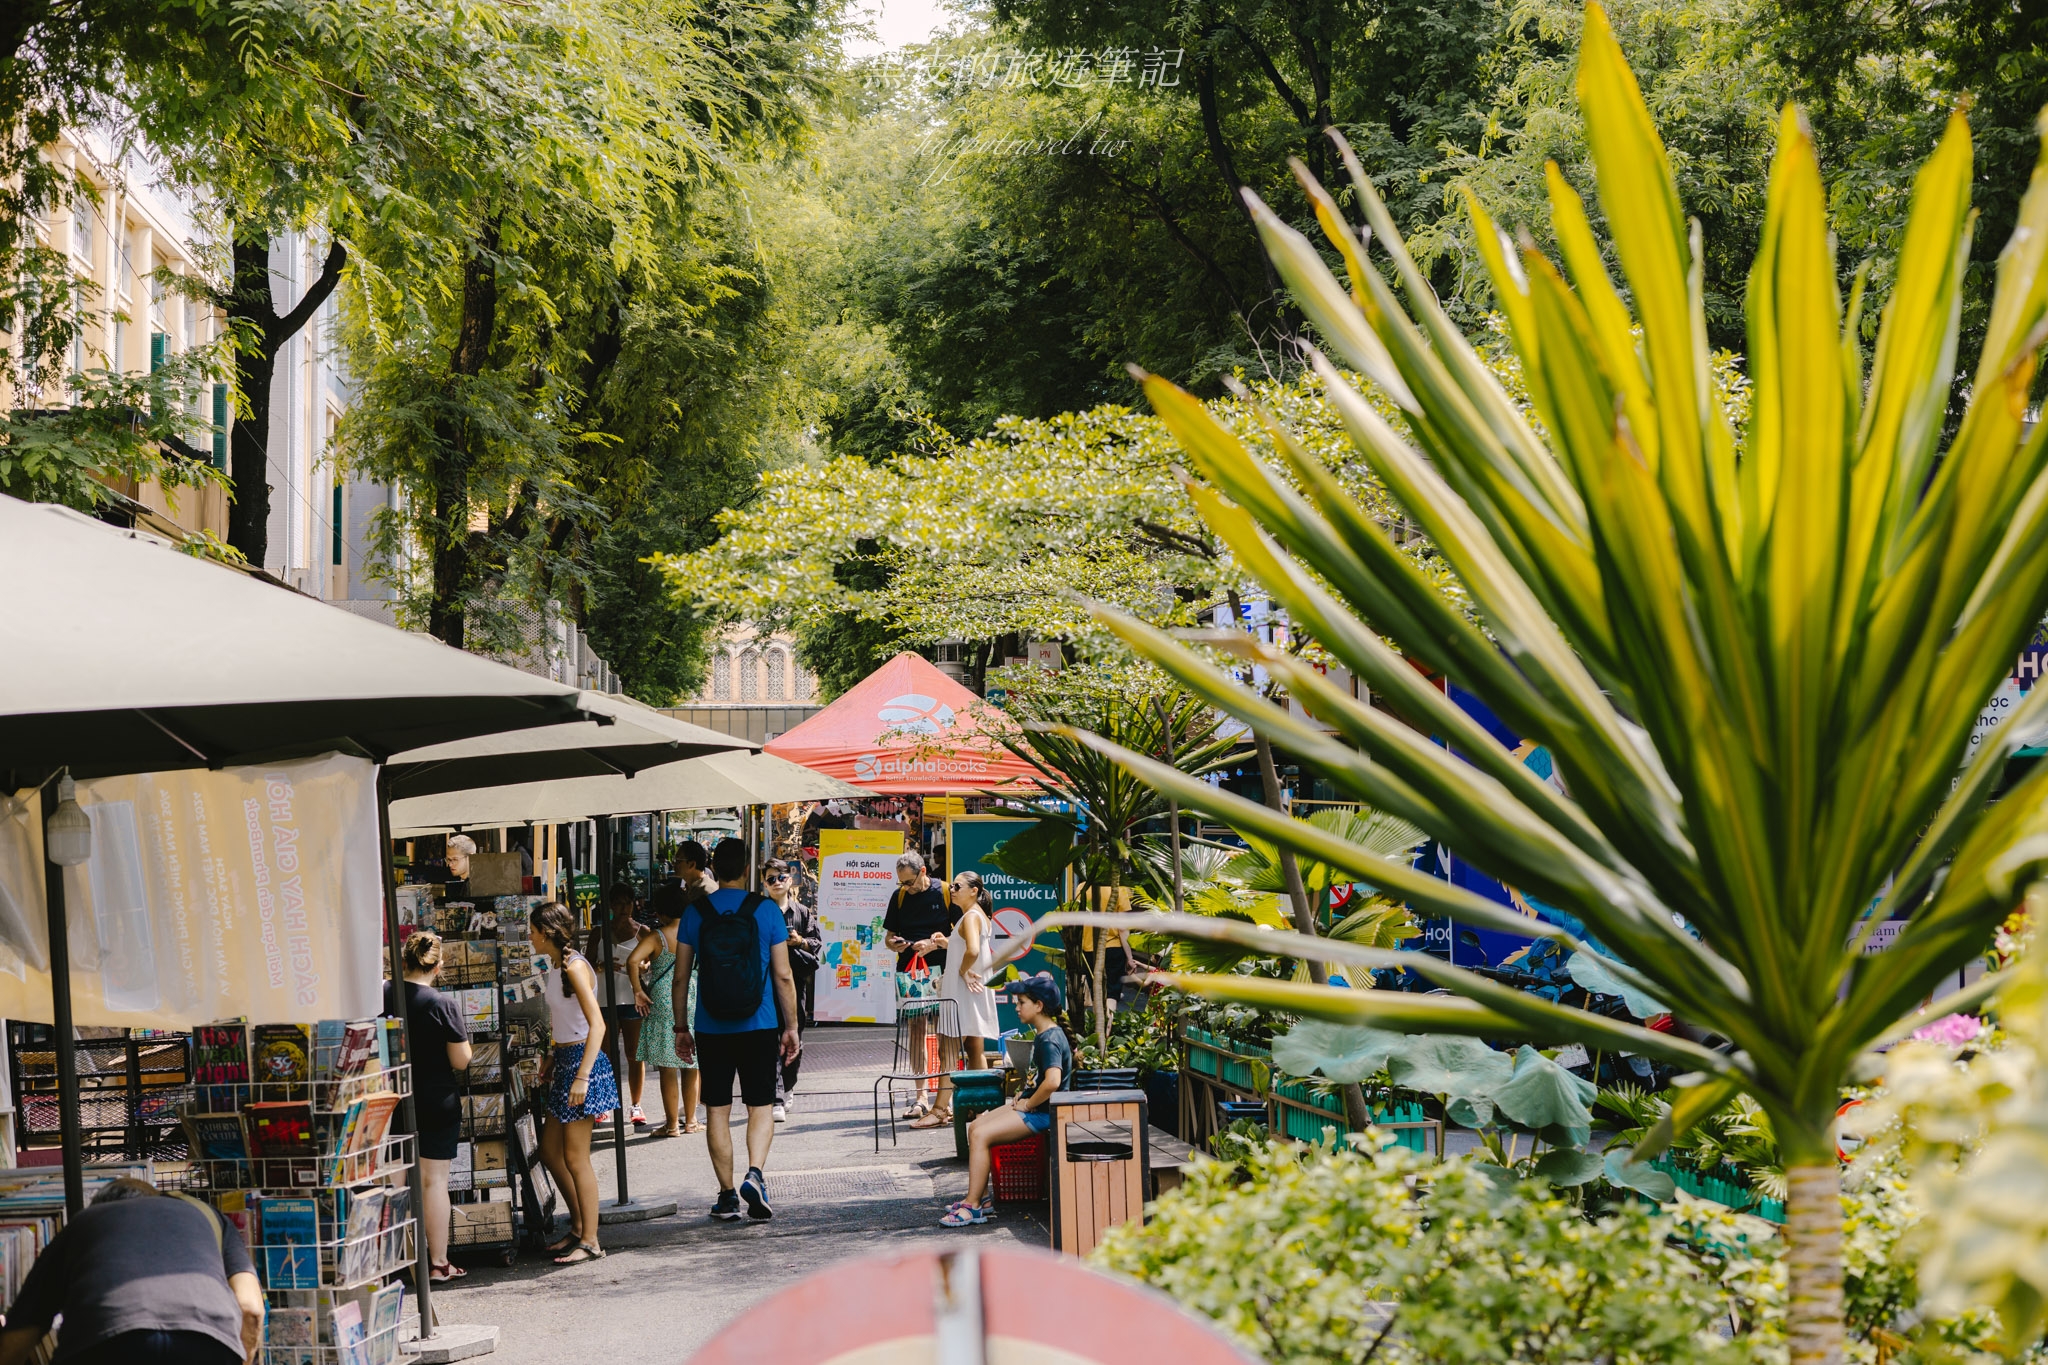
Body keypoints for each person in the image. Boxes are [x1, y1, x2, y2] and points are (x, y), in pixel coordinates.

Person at [0, 1176, 264, 1365]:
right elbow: (250, 1309)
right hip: (209, 1343)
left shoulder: (83, 1224)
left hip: (105, 1342)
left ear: (100, 1208)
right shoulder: (208, 1218)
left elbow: (19, 1336)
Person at [671, 838, 800, 1222]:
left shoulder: (695, 912)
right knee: (760, 1106)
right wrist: (790, 1027)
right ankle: (755, 1174)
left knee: (717, 1110)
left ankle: (727, 1197)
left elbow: (680, 978)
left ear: (713, 867)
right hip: (759, 1024)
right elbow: (783, 975)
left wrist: (681, 1027)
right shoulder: (766, 911)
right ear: (747, 869)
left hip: (711, 1025)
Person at [942, 973, 1071, 1227]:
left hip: (1043, 1114)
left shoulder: (1049, 1038)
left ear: (1039, 1006)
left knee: (980, 1136)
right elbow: (1040, 1078)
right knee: (978, 1126)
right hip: (1035, 1108)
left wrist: (1030, 1103)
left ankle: (973, 1205)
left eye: (1021, 1001)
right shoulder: (1045, 1033)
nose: (1016, 1006)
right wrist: (1024, 1095)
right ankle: (982, 1197)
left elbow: (1053, 1081)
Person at [383, 931, 473, 1282]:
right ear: (438, 966)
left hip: (389, 1099)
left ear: (403, 960)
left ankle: (392, 1263)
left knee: (393, 1181)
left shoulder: (382, 993)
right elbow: (461, 1059)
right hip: (436, 1099)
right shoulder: (441, 1003)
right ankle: (438, 1263)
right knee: (434, 1182)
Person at [531, 900, 617, 1264]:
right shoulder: (556, 965)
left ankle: (592, 1240)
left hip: (584, 1064)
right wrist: (553, 1053)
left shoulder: (574, 966)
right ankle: (580, 1227)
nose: (530, 937)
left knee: (576, 1157)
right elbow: (566, 1020)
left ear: (547, 932)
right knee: (551, 1152)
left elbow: (598, 1024)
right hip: (566, 1061)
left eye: (533, 930)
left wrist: (581, 1075)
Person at [917, 871, 1000, 1129]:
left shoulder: (972, 916)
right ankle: (981, 1107)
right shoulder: (977, 916)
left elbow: (973, 950)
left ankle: (940, 1109)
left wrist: (963, 971)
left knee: (949, 1051)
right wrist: (945, 943)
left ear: (974, 890)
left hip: (963, 992)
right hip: (973, 991)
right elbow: (967, 946)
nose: (951, 889)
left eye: (957, 885)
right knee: (975, 1048)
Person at [882, 850, 952, 1119]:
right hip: (910, 972)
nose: (905, 888)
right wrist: (895, 944)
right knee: (916, 1030)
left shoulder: (944, 892)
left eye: (909, 882)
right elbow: (888, 937)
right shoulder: (899, 897)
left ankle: (945, 1097)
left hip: (941, 970)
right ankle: (921, 1097)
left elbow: (959, 932)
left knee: (946, 1031)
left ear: (923, 872)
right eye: (901, 883)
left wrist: (933, 943)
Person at [628, 881, 700, 1135]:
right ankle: (690, 1122)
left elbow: (633, 960)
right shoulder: (697, 932)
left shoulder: (657, 936)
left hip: (664, 999)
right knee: (692, 1064)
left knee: (668, 1067)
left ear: (661, 911)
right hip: (693, 997)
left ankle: (671, 1125)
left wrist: (638, 990)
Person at [586, 882, 652, 1127]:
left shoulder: (642, 931)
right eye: (618, 903)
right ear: (610, 905)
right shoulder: (598, 932)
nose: (624, 907)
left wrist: (644, 966)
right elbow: (585, 966)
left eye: (628, 902)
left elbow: (653, 962)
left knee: (634, 1054)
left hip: (632, 999)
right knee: (605, 1056)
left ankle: (636, 1105)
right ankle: (604, 1104)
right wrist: (601, 967)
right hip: (604, 1000)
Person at [763, 858, 817, 1121]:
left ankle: (789, 1085)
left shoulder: (802, 913)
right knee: (769, 1039)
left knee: (794, 1034)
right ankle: (775, 1094)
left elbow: (817, 945)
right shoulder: (759, 911)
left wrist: (800, 942)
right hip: (764, 985)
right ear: (763, 883)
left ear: (790, 880)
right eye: (770, 878)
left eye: (780, 877)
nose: (775, 883)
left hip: (794, 985)